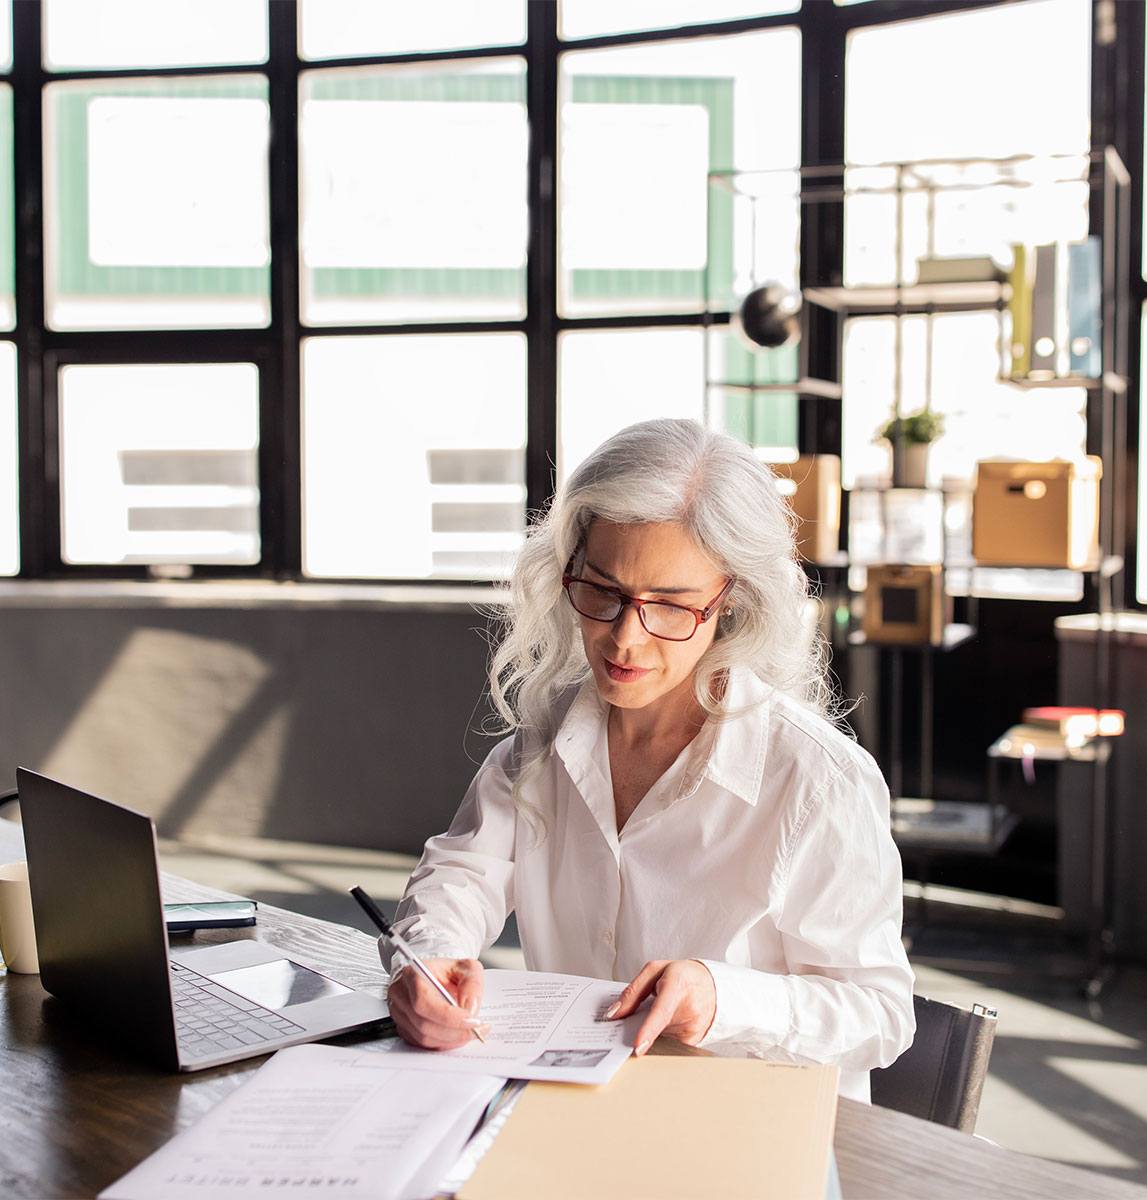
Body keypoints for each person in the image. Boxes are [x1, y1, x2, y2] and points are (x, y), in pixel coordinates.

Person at [382, 418, 915, 1101]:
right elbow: (462, 872)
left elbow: (880, 1015)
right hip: (580, 1108)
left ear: (731, 602)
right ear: (568, 568)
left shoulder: (816, 781)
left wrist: (721, 998)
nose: (625, 640)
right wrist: (428, 961)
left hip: (752, 1129)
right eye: (602, 591)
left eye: (669, 605)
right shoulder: (550, 737)